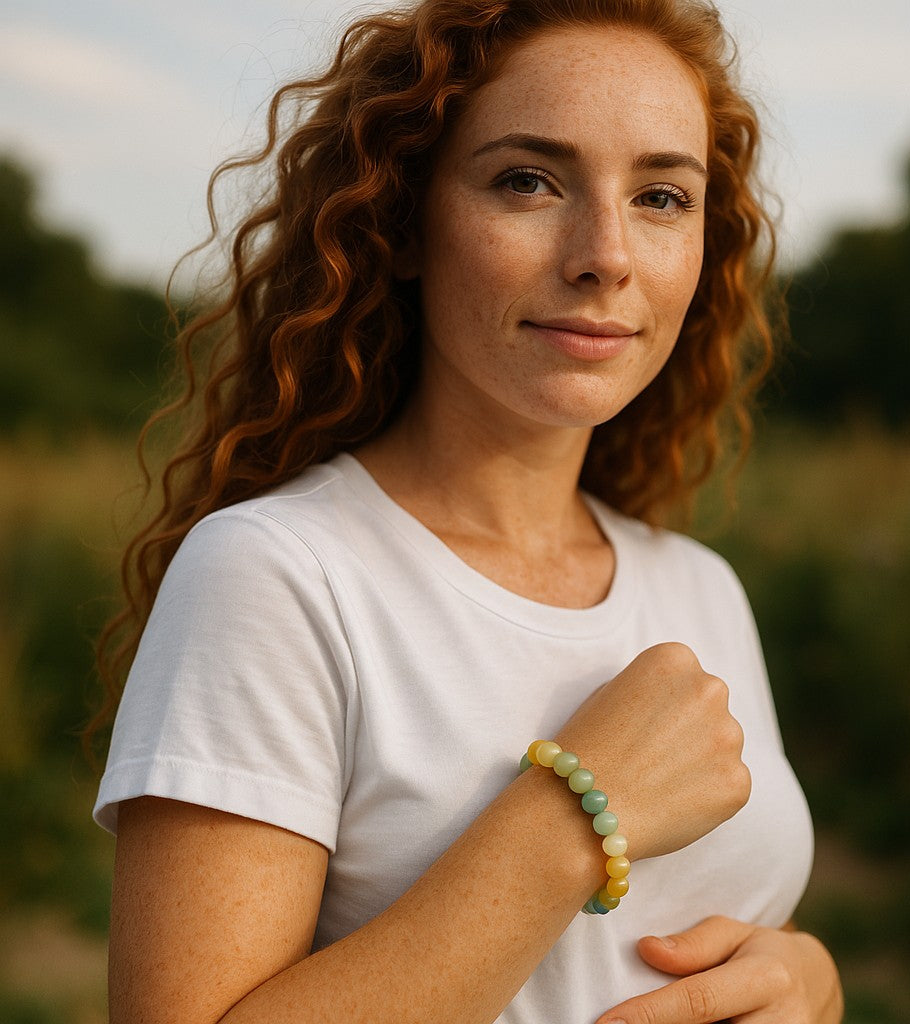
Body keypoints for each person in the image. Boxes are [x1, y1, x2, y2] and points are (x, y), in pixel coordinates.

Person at [91, 1, 844, 1021]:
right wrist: (578, 815)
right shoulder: (278, 573)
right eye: (528, 181)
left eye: (662, 195)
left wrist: (808, 975)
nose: (605, 255)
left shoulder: (697, 586)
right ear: (402, 223)